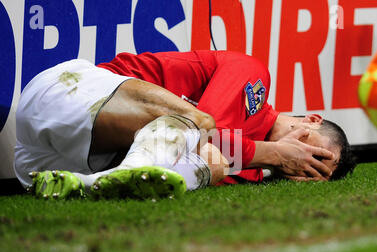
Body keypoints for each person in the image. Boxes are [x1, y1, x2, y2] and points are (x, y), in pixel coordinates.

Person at [14, 51, 355, 200]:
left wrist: (266, 159)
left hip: (52, 162)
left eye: (311, 170)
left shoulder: (248, 172)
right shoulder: (255, 79)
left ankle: (90, 185)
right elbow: (209, 130)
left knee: (214, 164)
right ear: (311, 120)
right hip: (68, 93)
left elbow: (216, 153)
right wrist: (273, 154)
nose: (300, 161)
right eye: (310, 150)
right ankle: (106, 181)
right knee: (200, 125)